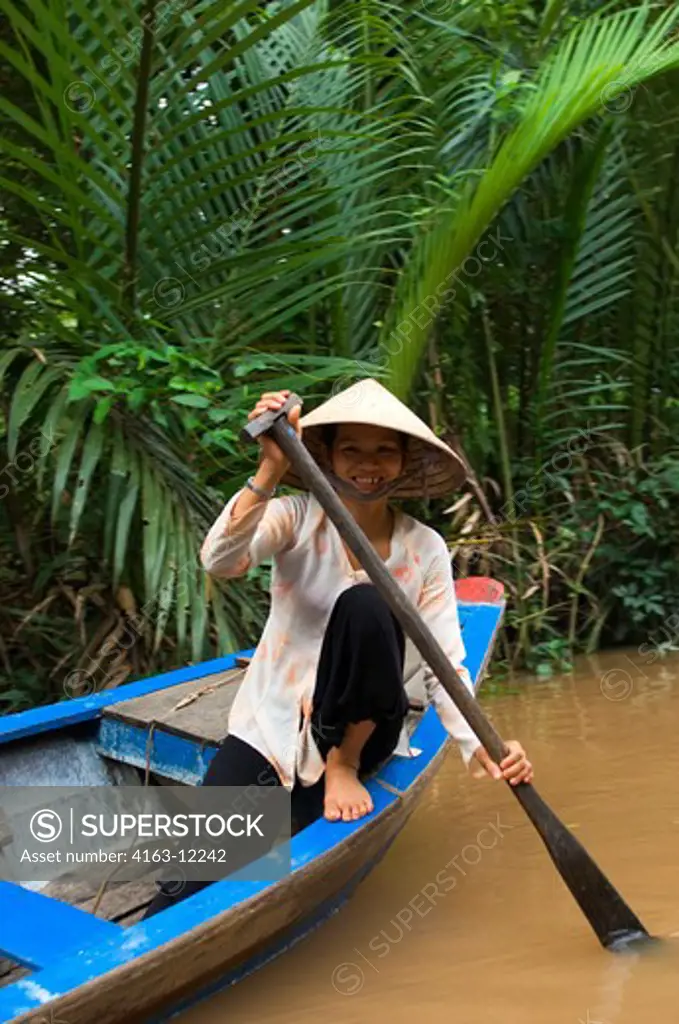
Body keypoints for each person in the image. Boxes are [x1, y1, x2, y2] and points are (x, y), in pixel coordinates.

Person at [143, 378, 532, 917]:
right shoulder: (296, 516)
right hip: (274, 723)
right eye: (351, 450)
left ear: (402, 463)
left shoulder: (425, 548)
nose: (367, 465)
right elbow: (220, 561)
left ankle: (341, 766)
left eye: (383, 452)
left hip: (364, 728)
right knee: (184, 883)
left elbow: (445, 660)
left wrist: (482, 745)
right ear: (326, 455)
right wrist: (271, 468)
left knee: (367, 604)